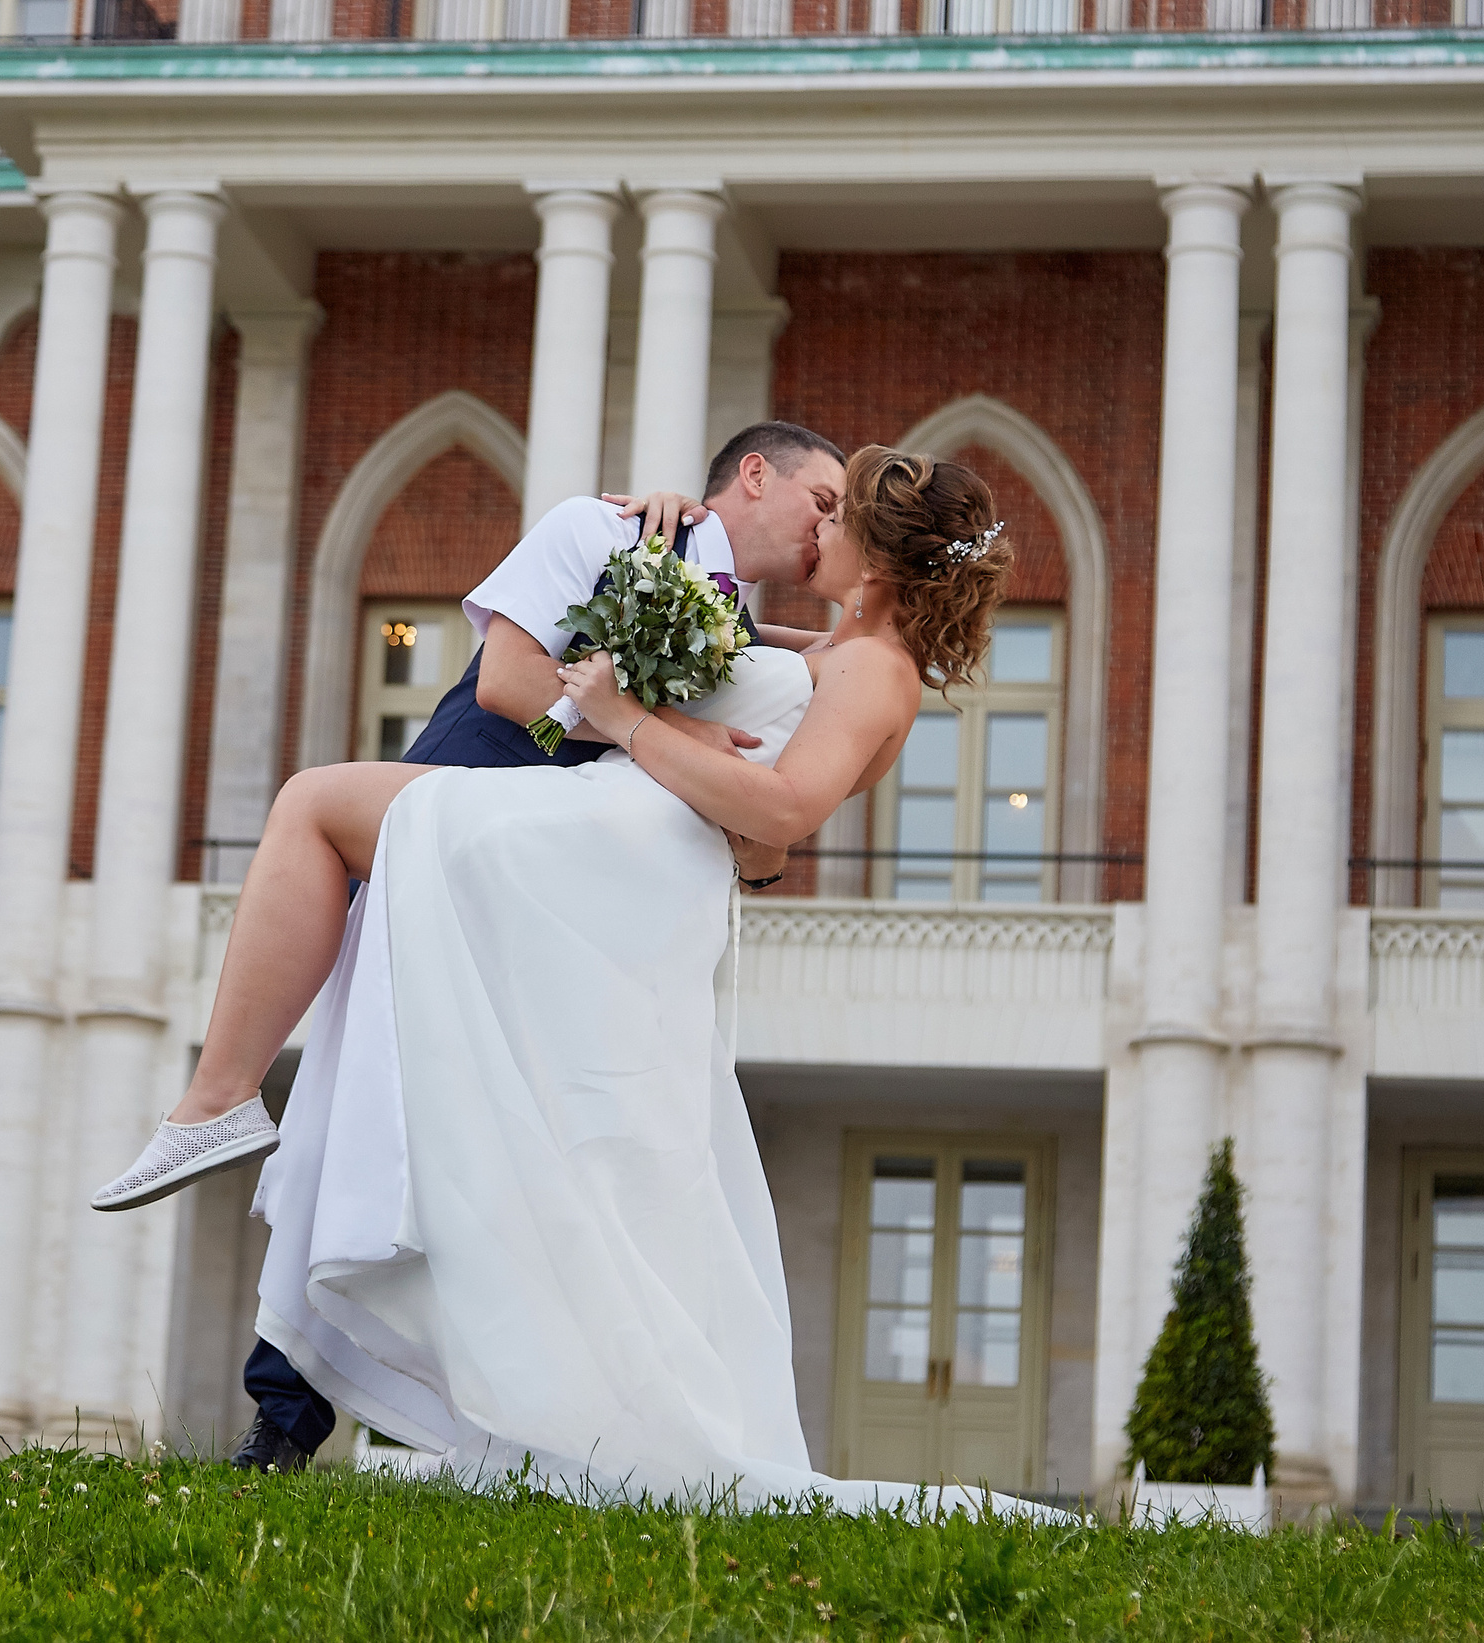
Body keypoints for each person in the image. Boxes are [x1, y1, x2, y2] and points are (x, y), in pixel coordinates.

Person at [98, 445, 1033, 1514]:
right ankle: (239, 1141)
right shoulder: (840, 649)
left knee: (316, 803)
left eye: (840, 519)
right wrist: (682, 541)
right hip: (619, 849)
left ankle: (217, 1101)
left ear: (875, 559)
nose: (818, 533)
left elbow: (778, 821)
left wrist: (627, 721)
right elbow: (736, 682)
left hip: (611, 841)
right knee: (461, 1076)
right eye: (813, 504)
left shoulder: (875, 671)